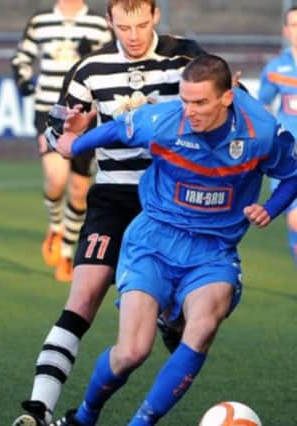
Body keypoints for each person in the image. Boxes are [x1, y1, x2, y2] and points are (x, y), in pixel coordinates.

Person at [49, 54, 297, 426]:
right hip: (153, 242)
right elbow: (118, 129)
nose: (190, 111)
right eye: (185, 100)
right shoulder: (163, 120)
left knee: (202, 328)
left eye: (200, 102)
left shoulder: (260, 131)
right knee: (132, 352)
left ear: (226, 98)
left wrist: (272, 208)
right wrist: (74, 145)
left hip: (213, 252)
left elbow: (292, 174)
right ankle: (84, 416)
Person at [12, 1, 207, 425]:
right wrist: (68, 130)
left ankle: (169, 318)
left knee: (181, 313)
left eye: (140, 24)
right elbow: (54, 126)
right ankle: (38, 409)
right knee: (81, 299)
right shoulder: (89, 70)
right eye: (123, 26)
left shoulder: (186, 57)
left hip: (172, 202)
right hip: (113, 197)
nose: (133, 35)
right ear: (109, 23)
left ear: (155, 16)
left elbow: (227, 103)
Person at [11, 0, 112, 282]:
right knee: (56, 179)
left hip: (86, 112)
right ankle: (56, 225)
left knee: (80, 189)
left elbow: (112, 60)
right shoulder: (41, 20)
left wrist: (90, 56)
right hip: (50, 110)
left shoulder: (98, 23)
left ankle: (67, 254)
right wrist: (25, 82)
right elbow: (21, 58)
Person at [258, 5, 297, 266]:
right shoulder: (275, 68)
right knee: (295, 221)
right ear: (285, 30)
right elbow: (261, 107)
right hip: (289, 158)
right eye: (294, 25)